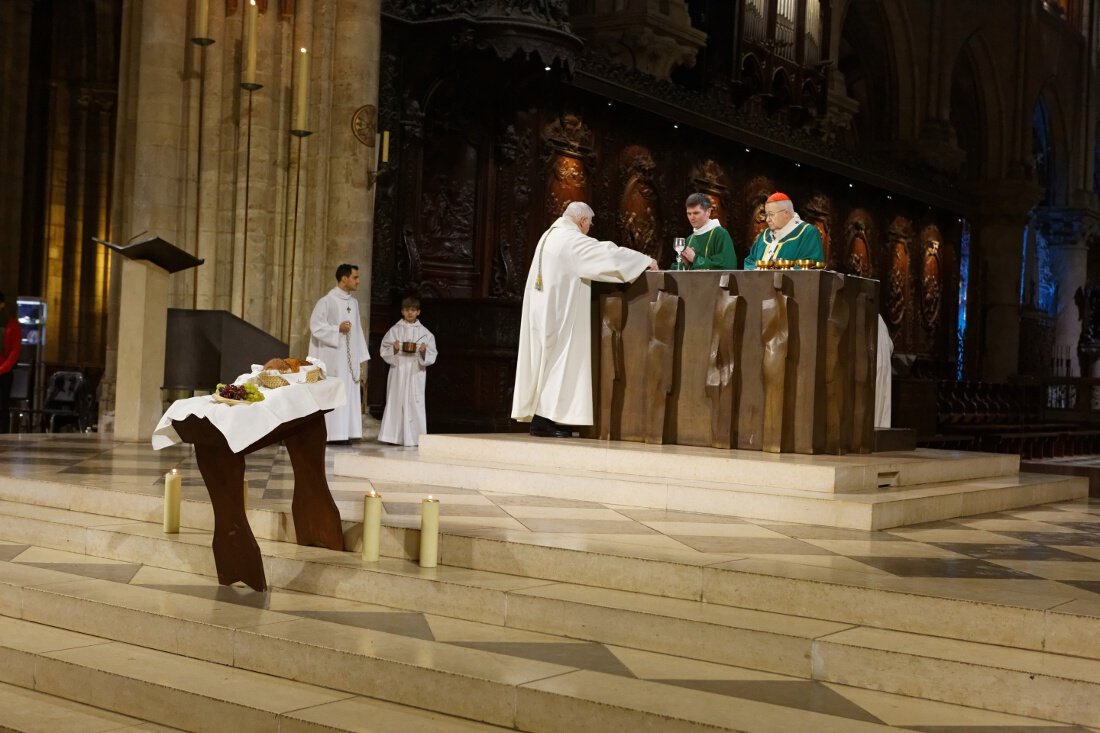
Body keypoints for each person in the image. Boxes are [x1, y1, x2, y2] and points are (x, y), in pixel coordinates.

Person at [512, 201, 658, 437]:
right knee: (561, 361)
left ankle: (550, 418)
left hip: (544, 310)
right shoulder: (570, 239)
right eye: (589, 223)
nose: (589, 228)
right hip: (560, 312)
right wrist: (643, 261)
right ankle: (545, 420)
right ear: (581, 221)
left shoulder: (550, 235)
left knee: (549, 362)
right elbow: (605, 253)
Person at [309, 264, 370, 444]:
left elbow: (357, 330)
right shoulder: (326, 301)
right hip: (333, 358)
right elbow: (316, 327)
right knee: (334, 392)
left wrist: (360, 358)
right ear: (344, 278)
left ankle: (345, 433)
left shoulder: (354, 303)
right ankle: (333, 434)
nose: (358, 281)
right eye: (355, 278)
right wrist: (337, 329)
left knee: (348, 392)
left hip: (348, 361)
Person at [378, 296, 438, 446]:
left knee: (414, 402)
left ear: (418, 312)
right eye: (406, 310)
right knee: (396, 400)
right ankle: (392, 437)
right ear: (402, 312)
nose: (409, 313)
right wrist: (395, 348)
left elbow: (432, 354)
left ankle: (414, 437)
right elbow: (384, 349)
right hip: (398, 370)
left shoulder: (426, 333)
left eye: (413, 310)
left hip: (415, 371)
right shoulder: (395, 330)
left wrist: (424, 352)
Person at [743, 192, 825, 269]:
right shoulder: (764, 235)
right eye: (766, 215)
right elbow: (749, 262)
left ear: (786, 213)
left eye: (771, 214)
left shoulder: (807, 233)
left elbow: (811, 270)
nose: (767, 220)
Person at [677, 193, 737, 270]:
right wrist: (684, 264)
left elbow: (727, 265)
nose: (692, 218)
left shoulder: (720, 234)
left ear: (708, 212)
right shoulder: (690, 239)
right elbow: (679, 268)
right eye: (689, 214)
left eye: (696, 213)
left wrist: (695, 259)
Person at [0, 292, 20, 434]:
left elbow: (14, 350)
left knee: (1, 406)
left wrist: (2, 368)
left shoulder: (12, 324)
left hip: (4, 372)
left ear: (2, 304)